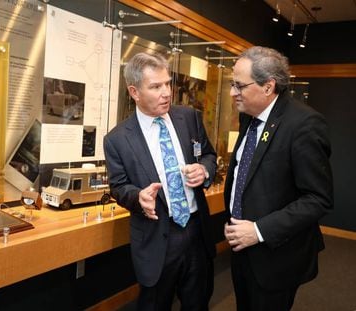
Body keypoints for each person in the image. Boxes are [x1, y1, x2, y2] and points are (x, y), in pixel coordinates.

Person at [104, 52, 217, 310]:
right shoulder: (118, 139)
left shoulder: (188, 117)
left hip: (196, 230)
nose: (166, 92)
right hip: (157, 238)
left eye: (167, 83)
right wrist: (138, 197)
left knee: (198, 303)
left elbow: (209, 154)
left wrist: (204, 170)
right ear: (134, 91)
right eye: (155, 87)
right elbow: (119, 186)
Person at [223, 46, 334, 311]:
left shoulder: (304, 124)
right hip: (242, 249)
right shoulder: (248, 116)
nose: (232, 93)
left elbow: (318, 199)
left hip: (277, 255)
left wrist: (258, 231)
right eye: (231, 84)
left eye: (239, 85)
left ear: (268, 87)